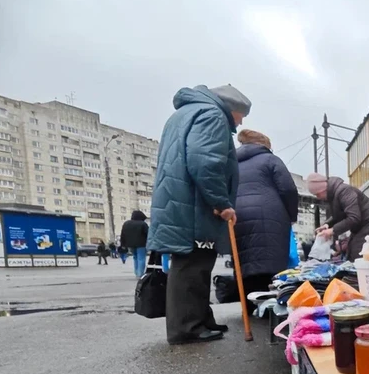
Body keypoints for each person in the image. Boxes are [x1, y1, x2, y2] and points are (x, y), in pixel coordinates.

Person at [147, 84, 248, 345]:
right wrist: (221, 202)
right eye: (242, 115)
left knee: (196, 264)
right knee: (192, 267)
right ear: (232, 109)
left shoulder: (186, 114)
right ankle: (187, 328)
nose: (240, 123)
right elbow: (205, 162)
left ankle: (200, 319)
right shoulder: (213, 115)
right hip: (193, 206)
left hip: (179, 201)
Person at [232, 129, 299, 297]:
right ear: (263, 144)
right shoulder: (270, 159)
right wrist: (291, 216)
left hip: (237, 216)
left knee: (245, 262)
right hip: (271, 217)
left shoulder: (232, 163)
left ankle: (249, 305)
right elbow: (288, 189)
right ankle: (269, 306)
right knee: (272, 263)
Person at [306, 174, 369, 261]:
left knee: (359, 254)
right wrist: (327, 225)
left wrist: (332, 231)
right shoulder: (334, 195)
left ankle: (366, 274)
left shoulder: (344, 191)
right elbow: (338, 216)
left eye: (317, 194)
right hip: (361, 225)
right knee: (351, 251)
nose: (318, 197)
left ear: (321, 189)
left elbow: (354, 217)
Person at [120, 210, 149, 277]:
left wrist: (123, 244)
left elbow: (123, 235)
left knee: (135, 257)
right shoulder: (143, 224)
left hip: (130, 244)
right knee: (141, 258)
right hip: (141, 244)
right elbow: (148, 234)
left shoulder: (126, 223)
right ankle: (140, 274)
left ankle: (136, 272)